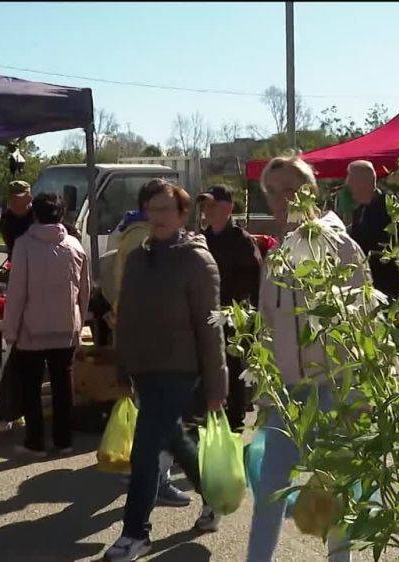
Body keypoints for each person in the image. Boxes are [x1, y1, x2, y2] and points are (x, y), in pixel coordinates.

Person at [248, 155, 369, 562]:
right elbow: (266, 327)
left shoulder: (341, 247)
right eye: (276, 191)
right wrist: (267, 397)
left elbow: (366, 324)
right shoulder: (276, 257)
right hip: (287, 395)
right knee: (269, 491)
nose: (286, 199)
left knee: (335, 495)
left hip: (333, 392)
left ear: (311, 191)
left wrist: (363, 397)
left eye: (294, 189)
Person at [103, 179, 229, 562]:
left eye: (164, 209)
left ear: (181, 213)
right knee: (173, 437)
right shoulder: (139, 257)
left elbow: (211, 326)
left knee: (144, 449)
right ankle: (212, 498)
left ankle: (135, 533)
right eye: (150, 209)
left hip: (179, 367)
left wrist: (216, 384)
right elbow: (126, 316)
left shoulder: (196, 260)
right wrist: (122, 365)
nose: (156, 217)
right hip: (144, 366)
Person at [106, 182, 192, 509]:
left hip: (138, 338)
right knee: (161, 416)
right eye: (159, 207)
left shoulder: (129, 236)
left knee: (150, 415)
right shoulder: (145, 243)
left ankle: (148, 475)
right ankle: (160, 480)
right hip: (152, 342)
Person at [3, 193, 90, 457]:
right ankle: (64, 440)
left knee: (31, 387)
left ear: (35, 214)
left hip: (32, 328)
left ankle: (36, 441)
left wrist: (10, 329)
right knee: (63, 385)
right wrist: (79, 320)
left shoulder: (24, 245)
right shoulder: (75, 245)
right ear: (61, 215)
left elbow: (17, 292)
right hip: (65, 326)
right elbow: (83, 291)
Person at [198, 184, 262, 432]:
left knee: (233, 365)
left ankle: (234, 419)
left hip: (234, 313)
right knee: (209, 364)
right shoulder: (203, 238)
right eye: (206, 205)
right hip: (207, 313)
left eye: (214, 204)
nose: (208, 210)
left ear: (229, 208)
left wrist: (252, 315)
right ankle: (212, 413)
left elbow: (255, 278)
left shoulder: (241, 240)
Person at [343, 160, 399, 300]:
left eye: (350, 180)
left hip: (390, 287)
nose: (347, 185)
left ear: (363, 182)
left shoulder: (390, 207)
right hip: (368, 285)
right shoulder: (359, 210)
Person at [0, 180, 34, 257]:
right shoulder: (7, 217)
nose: (13, 201)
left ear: (29, 198)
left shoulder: (40, 216)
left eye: (18, 198)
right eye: (11, 198)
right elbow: (10, 243)